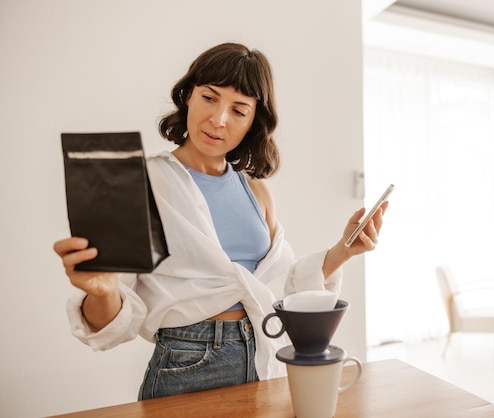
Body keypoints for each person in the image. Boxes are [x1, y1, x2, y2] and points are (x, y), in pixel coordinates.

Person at [53, 42, 388, 400]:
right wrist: (102, 291)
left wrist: (343, 251)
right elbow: (111, 325)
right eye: (209, 98)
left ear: (252, 123)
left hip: (264, 358)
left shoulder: (256, 191)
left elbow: (280, 288)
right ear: (188, 97)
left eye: (238, 110)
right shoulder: (141, 183)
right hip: (186, 365)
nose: (219, 120)